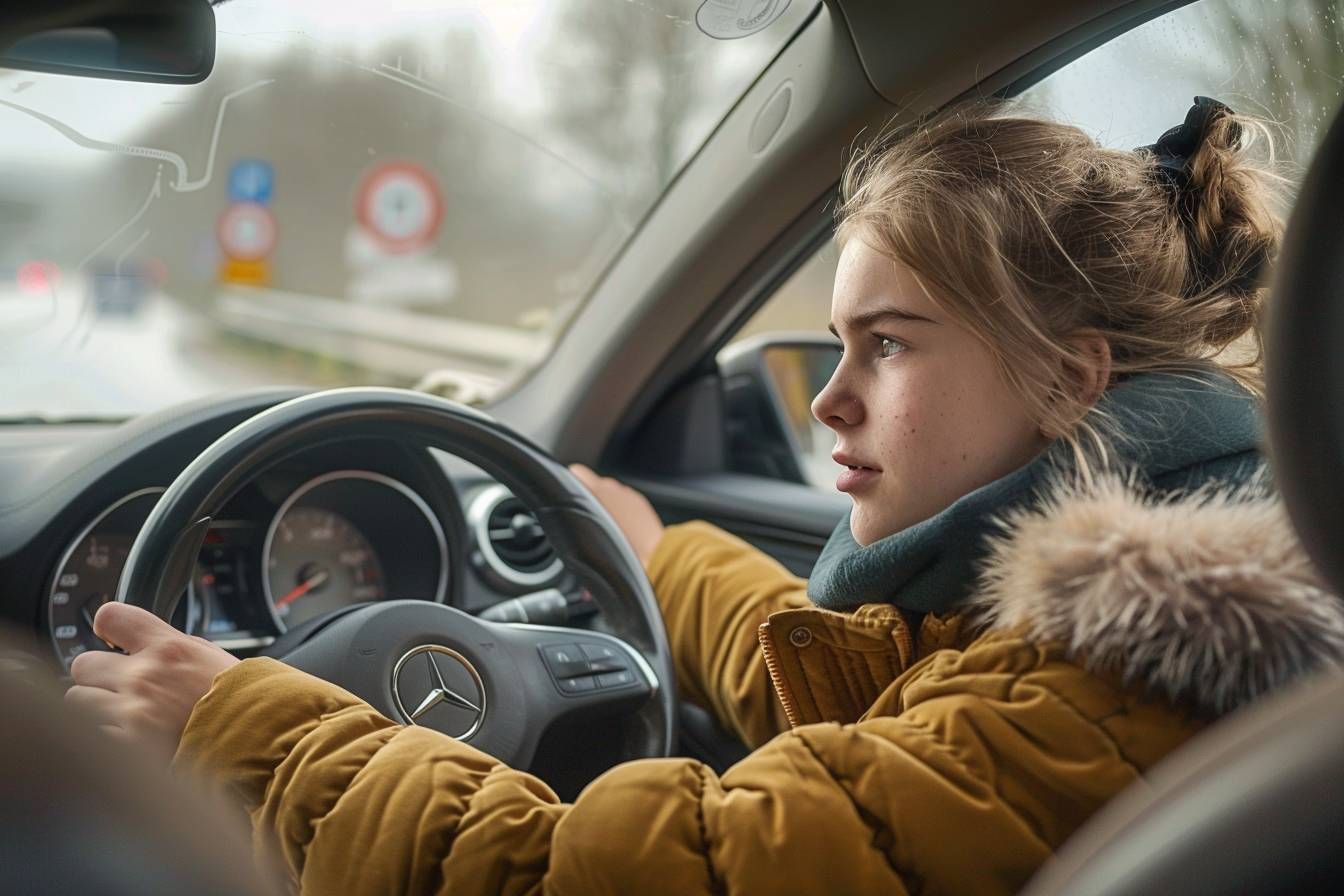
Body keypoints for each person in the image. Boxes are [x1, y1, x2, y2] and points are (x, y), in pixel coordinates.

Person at [67, 98, 1344, 894]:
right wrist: (662, 554)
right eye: (834, 343)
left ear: (1071, 376)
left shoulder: (1094, 694)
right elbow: (872, 701)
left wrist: (252, 725)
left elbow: (599, 871)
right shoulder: (1124, 626)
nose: (829, 400)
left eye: (888, 344)